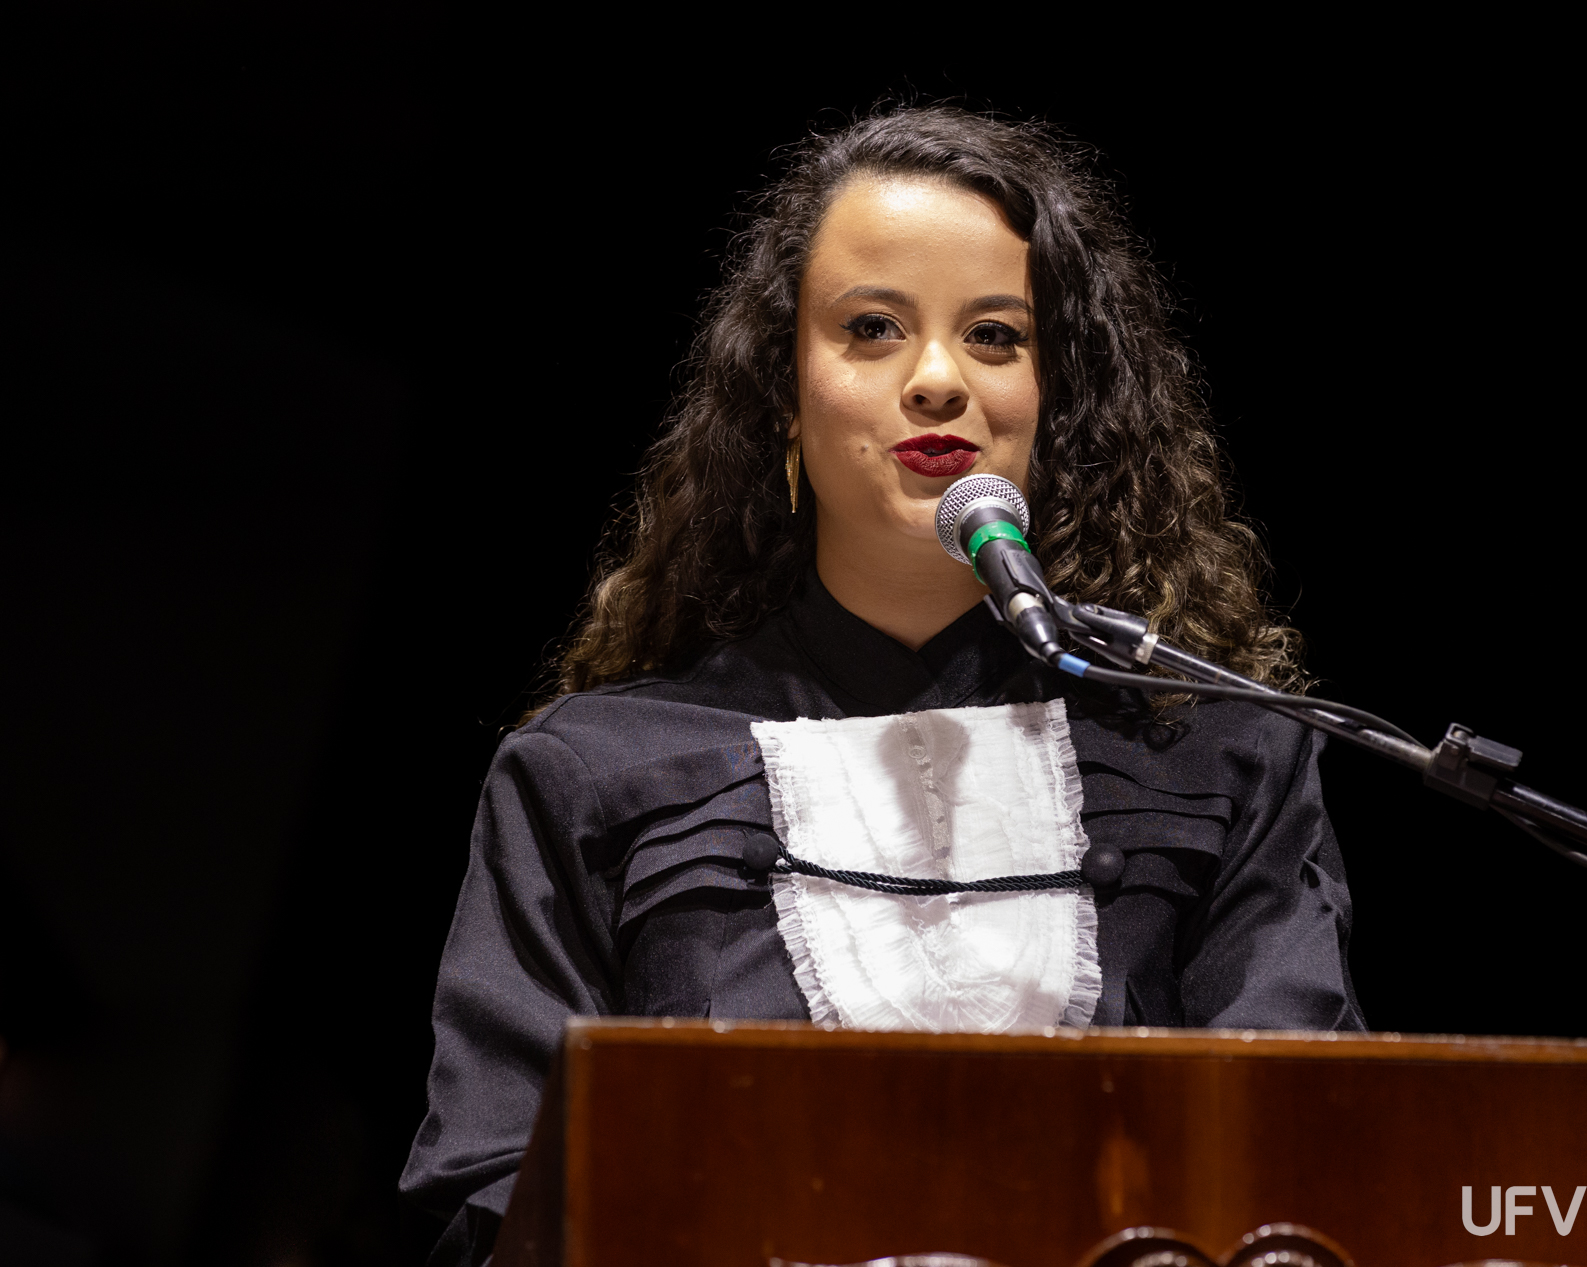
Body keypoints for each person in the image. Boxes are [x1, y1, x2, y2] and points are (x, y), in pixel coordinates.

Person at [399, 106, 1365, 1265]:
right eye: (872, 328)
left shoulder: (1220, 755)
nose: (938, 381)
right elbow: (495, 1188)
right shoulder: (591, 772)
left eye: (997, 336)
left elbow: (1299, 1149)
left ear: (1062, 404)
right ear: (782, 404)